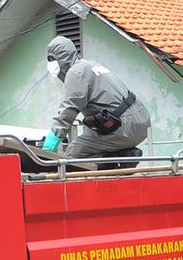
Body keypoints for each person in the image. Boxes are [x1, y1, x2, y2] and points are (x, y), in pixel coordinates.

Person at [41, 36, 151, 169]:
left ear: (62, 57)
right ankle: (125, 154)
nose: (50, 64)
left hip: (122, 127)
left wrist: (50, 144)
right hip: (141, 121)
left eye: (52, 59)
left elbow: (68, 110)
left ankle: (116, 162)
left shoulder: (76, 72)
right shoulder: (91, 65)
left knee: (72, 156)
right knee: (89, 137)